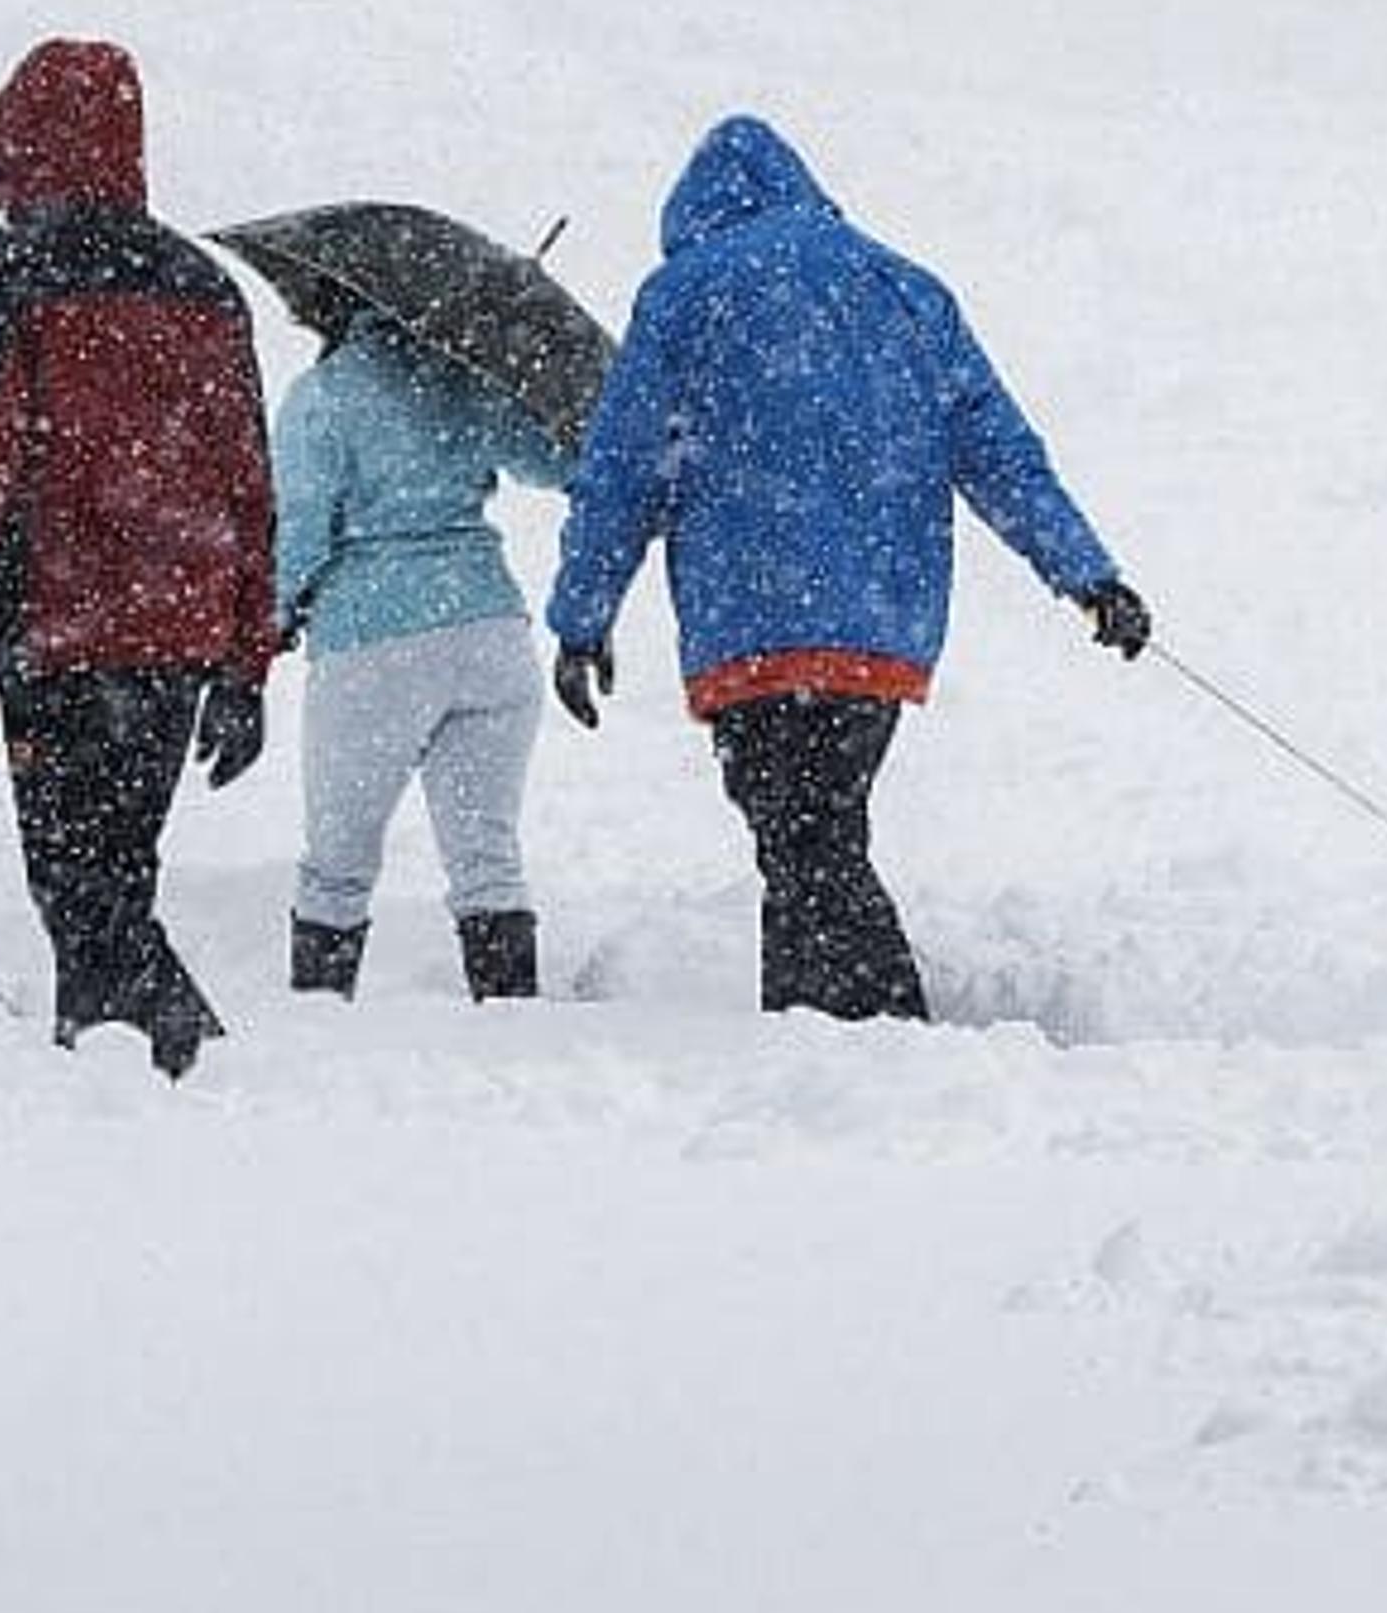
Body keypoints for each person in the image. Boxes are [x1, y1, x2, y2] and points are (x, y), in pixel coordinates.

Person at [541, 116, 1149, 1023]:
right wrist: (1087, 574)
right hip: (878, 623)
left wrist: (581, 621)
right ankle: (822, 1039)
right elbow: (999, 453)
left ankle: (877, 1034)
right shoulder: (907, 290)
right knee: (816, 833)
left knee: (804, 843)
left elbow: (622, 474)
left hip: (748, 622)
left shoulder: (682, 296)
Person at [0, 38, 276, 1078]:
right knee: (116, 870)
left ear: (23, 153)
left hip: (58, 627)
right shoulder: (207, 288)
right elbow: (247, 480)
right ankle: (109, 1071)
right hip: (179, 626)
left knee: (78, 886)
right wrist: (248, 660)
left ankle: (178, 1064)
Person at [271, 305, 571, 1002]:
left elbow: (302, 528)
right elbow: (560, 462)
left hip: (374, 646)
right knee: (486, 857)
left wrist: (275, 616)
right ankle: (510, 1019)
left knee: (337, 866)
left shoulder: (323, 394)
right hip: (490, 632)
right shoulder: (466, 379)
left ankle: (317, 1024)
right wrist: (514, 379)